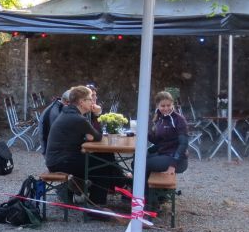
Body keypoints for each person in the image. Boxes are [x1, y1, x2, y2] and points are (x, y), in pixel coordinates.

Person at [44, 85, 127, 216]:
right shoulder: (77, 118)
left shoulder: (69, 113)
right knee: (103, 167)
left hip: (60, 159)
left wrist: (90, 132)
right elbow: (97, 136)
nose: (92, 102)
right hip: (61, 162)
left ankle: (119, 185)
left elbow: (92, 136)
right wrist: (96, 115)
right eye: (89, 99)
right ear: (81, 102)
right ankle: (96, 208)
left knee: (105, 157)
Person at [146, 91, 189, 178]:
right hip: (164, 153)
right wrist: (145, 133)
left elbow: (183, 144)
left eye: (168, 105)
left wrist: (173, 165)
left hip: (177, 160)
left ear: (172, 104)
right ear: (157, 106)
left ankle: (141, 186)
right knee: (137, 159)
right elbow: (159, 141)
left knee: (140, 164)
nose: (166, 108)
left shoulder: (178, 119)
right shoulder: (160, 118)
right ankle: (144, 185)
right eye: (163, 106)